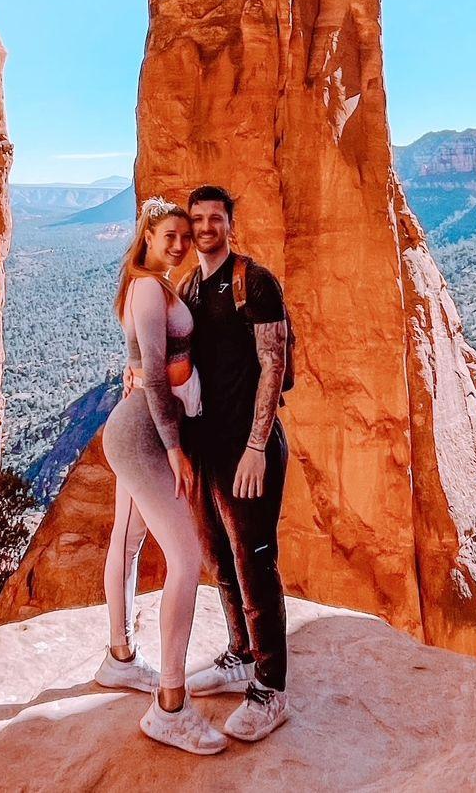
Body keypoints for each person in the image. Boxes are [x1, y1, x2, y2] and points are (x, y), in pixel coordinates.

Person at [94, 198, 227, 756]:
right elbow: (152, 371)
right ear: (147, 235)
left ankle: (119, 658)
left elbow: (146, 364)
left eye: (184, 237)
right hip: (144, 435)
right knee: (187, 559)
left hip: (137, 428)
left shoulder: (151, 284)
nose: (179, 244)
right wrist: (174, 448)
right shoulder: (149, 289)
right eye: (168, 235)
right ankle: (170, 707)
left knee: (127, 542)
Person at [181, 184, 291, 742]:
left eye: (215, 218)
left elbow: (274, 365)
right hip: (207, 448)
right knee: (219, 558)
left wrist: (256, 446)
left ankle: (271, 687)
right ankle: (241, 654)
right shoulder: (189, 288)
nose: (207, 227)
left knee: (255, 562)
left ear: (230, 223)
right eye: (198, 219)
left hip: (249, 448)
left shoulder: (255, 282)